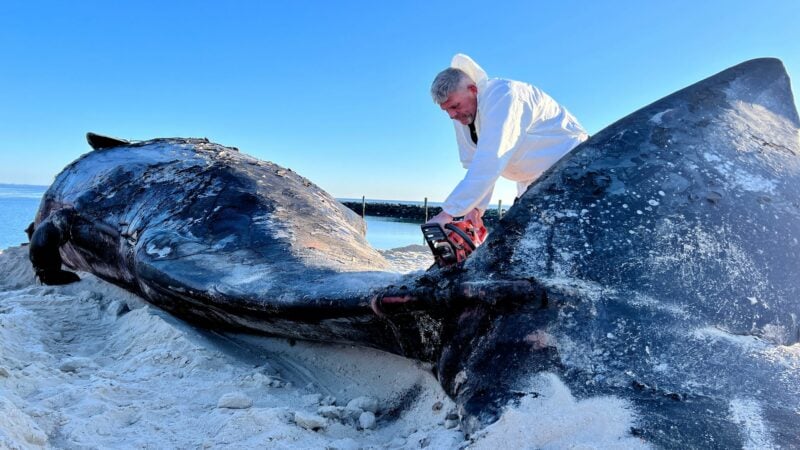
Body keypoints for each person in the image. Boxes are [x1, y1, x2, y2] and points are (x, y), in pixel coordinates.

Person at [426, 54, 588, 227]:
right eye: (446, 110)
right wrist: (475, 209)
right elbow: (476, 166)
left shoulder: (503, 95)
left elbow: (491, 158)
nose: (451, 115)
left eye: (455, 106)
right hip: (531, 181)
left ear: (473, 89)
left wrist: (448, 213)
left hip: (573, 166)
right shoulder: (463, 115)